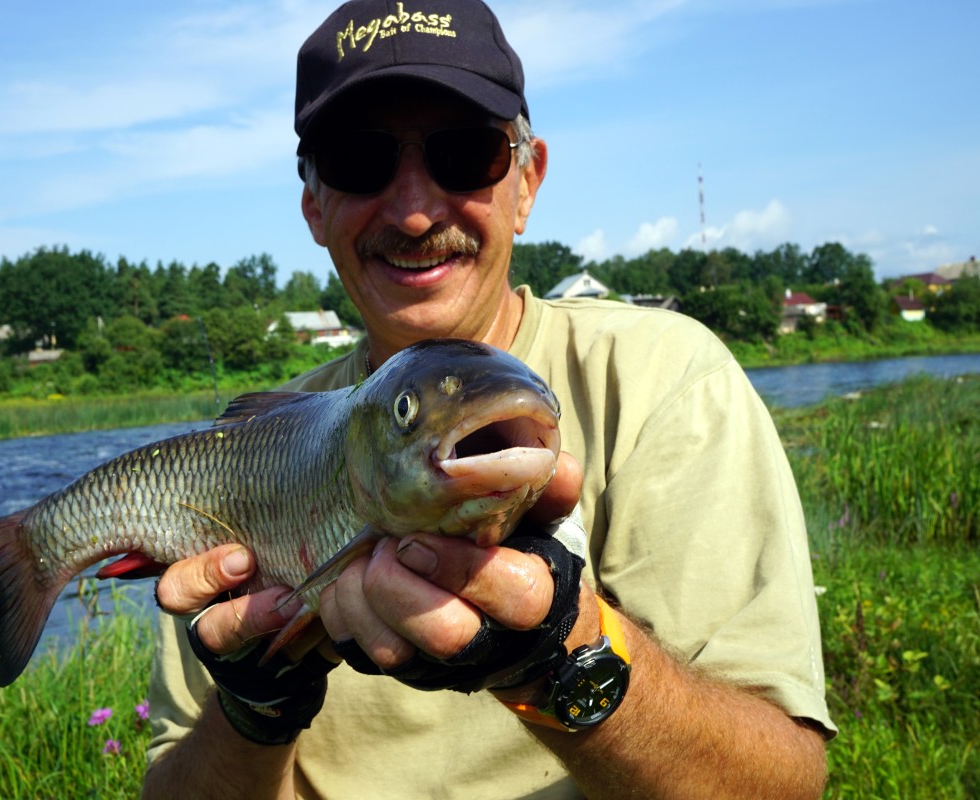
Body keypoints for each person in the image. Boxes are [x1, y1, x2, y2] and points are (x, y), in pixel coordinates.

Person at [142, 1, 835, 797]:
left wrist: (563, 658)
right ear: (314, 205)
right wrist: (252, 707)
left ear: (527, 181)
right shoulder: (254, 450)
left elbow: (783, 783)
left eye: (464, 155)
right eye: (359, 162)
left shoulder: (665, 378)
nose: (413, 210)